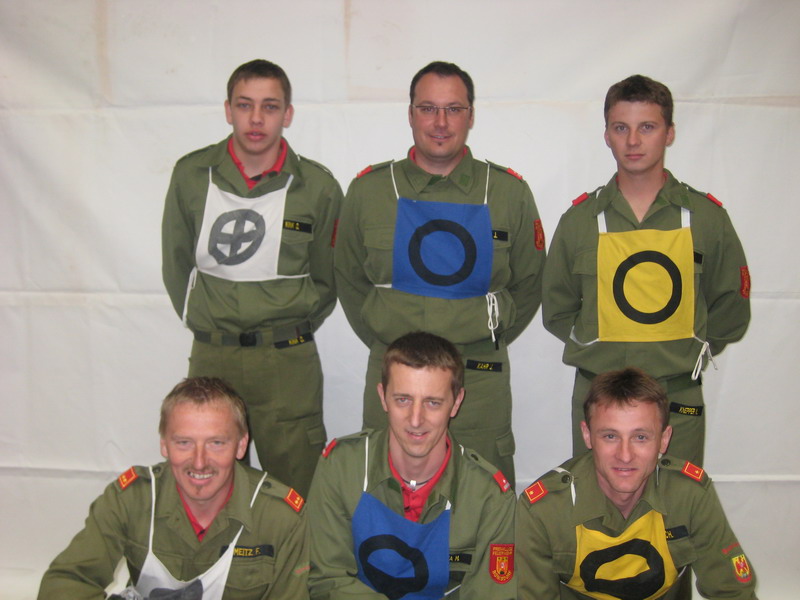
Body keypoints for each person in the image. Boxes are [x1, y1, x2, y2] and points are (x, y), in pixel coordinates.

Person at [334, 61, 546, 487]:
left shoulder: (508, 193)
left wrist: (484, 332)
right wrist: (388, 336)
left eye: (454, 109)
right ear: (410, 114)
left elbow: (529, 283)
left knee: (482, 492)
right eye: (428, 108)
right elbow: (348, 279)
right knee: (387, 492)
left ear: (471, 115)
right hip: (394, 371)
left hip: (479, 377)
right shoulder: (370, 191)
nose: (441, 122)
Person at [542, 74, 751, 465]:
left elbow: (730, 308)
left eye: (647, 127)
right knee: (597, 499)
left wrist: (682, 353)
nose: (633, 141)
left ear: (669, 133)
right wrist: (598, 349)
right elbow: (557, 308)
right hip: (599, 394)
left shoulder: (707, 219)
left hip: (677, 395)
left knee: (676, 500)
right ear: (607, 135)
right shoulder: (579, 221)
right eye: (621, 128)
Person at [162, 59, 343, 496]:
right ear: (228, 110)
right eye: (245, 105)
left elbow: (329, 278)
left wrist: (289, 325)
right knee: (207, 483)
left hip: (287, 363)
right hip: (213, 356)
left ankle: (296, 549)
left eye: (270, 106)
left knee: (296, 489)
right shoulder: (192, 176)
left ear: (288, 114)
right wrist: (208, 318)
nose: (256, 118)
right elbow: (176, 264)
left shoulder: (317, 187)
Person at [39, 377, 309, 599]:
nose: (199, 462)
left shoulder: (281, 518)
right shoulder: (131, 499)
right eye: (184, 443)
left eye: (216, 443)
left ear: (241, 445)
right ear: (164, 445)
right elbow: (65, 583)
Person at [516, 367, 758, 599]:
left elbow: (732, 593)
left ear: (664, 439)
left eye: (640, 437)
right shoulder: (544, 511)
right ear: (587, 435)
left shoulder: (689, 495)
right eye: (610, 436)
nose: (625, 455)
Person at [307, 331, 516, 599]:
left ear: (456, 403)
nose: (416, 419)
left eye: (432, 402)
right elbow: (328, 579)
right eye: (403, 400)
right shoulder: (340, 468)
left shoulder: (490, 497)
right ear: (383, 397)